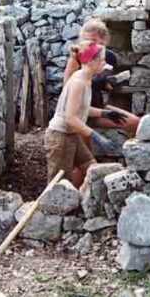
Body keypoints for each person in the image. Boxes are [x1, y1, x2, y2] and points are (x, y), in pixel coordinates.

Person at [46, 40, 120, 188]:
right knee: (59, 185)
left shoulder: (86, 78)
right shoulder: (78, 82)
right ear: (91, 61)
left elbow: (81, 107)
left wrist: (105, 114)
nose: (104, 63)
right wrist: (95, 136)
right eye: (102, 60)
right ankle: (51, 210)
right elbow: (70, 118)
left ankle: (91, 203)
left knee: (92, 169)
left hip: (71, 135)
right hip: (60, 137)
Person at [62, 19, 139, 144]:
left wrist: (110, 83)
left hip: (98, 107)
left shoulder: (109, 57)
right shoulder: (77, 57)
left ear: (104, 40)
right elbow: (66, 89)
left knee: (135, 123)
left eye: (92, 40)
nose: (88, 44)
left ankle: (128, 154)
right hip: (79, 111)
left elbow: (105, 84)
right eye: (84, 40)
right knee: (84, 148)